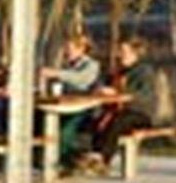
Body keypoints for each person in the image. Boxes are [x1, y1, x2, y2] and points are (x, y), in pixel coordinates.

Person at [40, 32, 103, 167]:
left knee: (66, 129)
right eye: (66, 49)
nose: (67, 52)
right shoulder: (67, 66)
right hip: (66, 105)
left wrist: (55, 73)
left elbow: (81, 80)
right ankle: (47, 159)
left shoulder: (91, 65)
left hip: (85, 107)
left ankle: (63, 161)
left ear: (81, 49)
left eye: (71, 49)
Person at [91, 37, 156, 162]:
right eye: (119, 51)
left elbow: (143, 95)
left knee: (117, 121)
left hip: (139, 113)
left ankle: (103, 157)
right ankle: (89, 154)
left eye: (123, 51)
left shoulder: (143, 71)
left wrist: (119, 94)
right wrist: (101, 89)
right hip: (116, 110)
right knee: (95, 120)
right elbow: (101, 83)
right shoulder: (117, 71)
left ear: (134, 53)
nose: (119, 54)